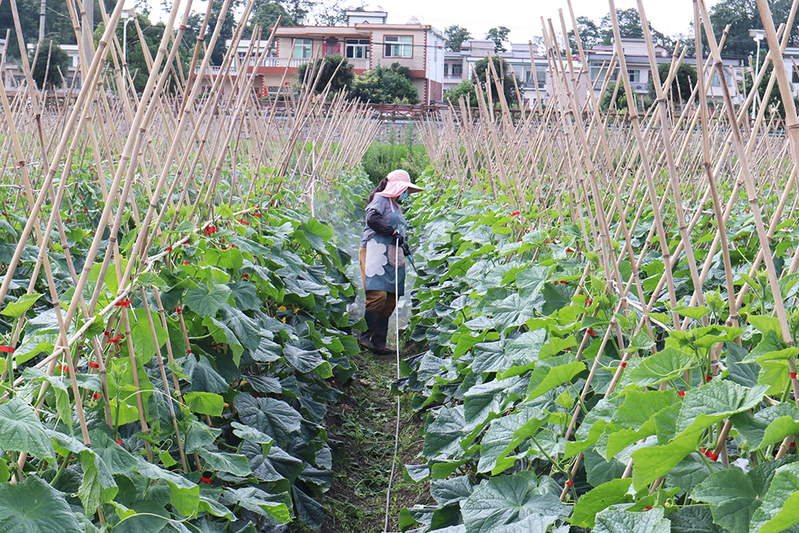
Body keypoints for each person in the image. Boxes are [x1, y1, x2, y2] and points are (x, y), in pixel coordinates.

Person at [358, 170, 423, 355]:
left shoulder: (395, 205)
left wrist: (404, 244)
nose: (406, 194)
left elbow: (399, 231)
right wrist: (391, 232)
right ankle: (364, 336)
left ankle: (379, 343)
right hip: (375, 250)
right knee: (377, 295)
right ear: (398, 187)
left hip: (394, 253)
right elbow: (372, 218)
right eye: (405, 190)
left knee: (391, 299)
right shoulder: (380, 199)